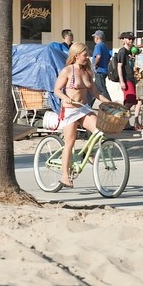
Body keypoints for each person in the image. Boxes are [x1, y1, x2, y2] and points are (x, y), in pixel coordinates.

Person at [53, 42, 110, 188]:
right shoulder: (67, 71)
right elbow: (57, 90)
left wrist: (110, 103)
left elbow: (96, 93)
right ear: (76, 55)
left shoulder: (87, 72)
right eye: (85, 55)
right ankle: (65, 176)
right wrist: (66, 98)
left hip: (83, 108)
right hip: (70, 110)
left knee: (100, 130)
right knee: (70, 143)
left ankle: (86, 153)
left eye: (88, 54)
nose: (88, 57)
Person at [117, 32, 141, 130]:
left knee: (133, 100)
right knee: (130, 100)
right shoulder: (122, 51)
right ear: (123, 39)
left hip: (132, 78)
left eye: (132, 39)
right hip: (126, 79)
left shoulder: (130, 51)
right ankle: (120, 118)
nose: (131, 41)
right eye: (128, 39)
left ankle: (127, 124)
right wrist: (122, 81)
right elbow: (119, 66)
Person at [91, 30, 112, 101]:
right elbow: (109, 57)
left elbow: (98, 56)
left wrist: (94, 65)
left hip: (99, 71)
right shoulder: (105, 46)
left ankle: (111, 105)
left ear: (97, 38)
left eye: (94, 37)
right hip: (104, 70)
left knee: (102, 89)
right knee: (95, 89)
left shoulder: (98, 46)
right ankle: (88, 105)